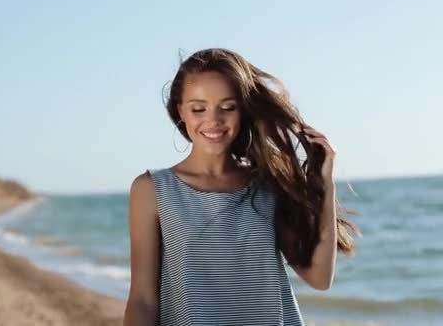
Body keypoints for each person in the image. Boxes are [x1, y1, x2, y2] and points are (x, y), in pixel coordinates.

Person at [123, 48, 359, 325]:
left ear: (243, 110)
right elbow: (142, 299)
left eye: (228, 107)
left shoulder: (267, 186)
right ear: (181, 111)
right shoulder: (152, 190)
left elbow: (319, 278)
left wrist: (324, 183)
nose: (213, 120)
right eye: (199, 108)